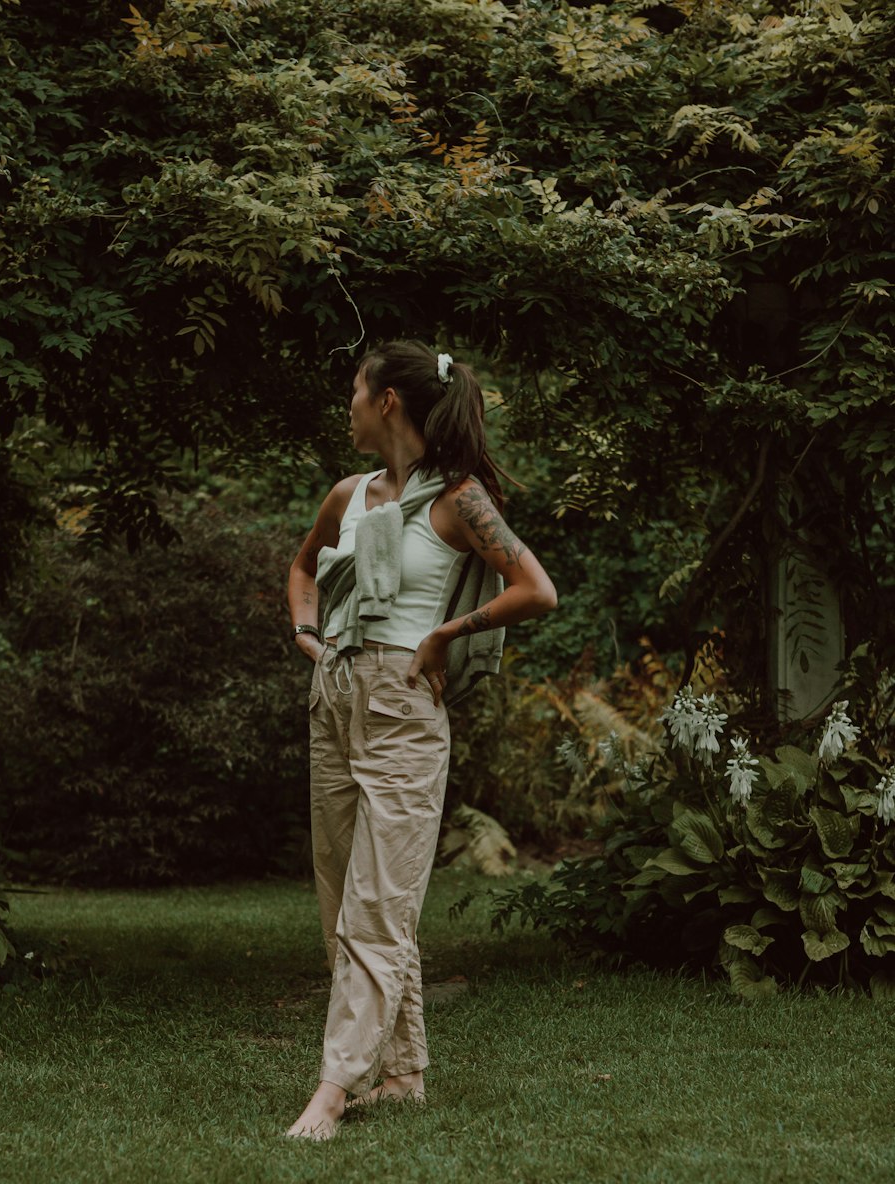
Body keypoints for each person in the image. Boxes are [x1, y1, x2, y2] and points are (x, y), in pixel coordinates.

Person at [285, 340, 556, 1139]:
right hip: (333, 698)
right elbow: (302, 570)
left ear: (388, 402)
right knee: (344, 902)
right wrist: (308, 634)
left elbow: (534, 590)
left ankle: (333, 1090)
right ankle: (400, 1075)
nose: (349, 405)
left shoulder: (459, 501)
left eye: (355, 391)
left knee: (380, 903)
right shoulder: (348, 493)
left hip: (404, 706)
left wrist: (445, 636)